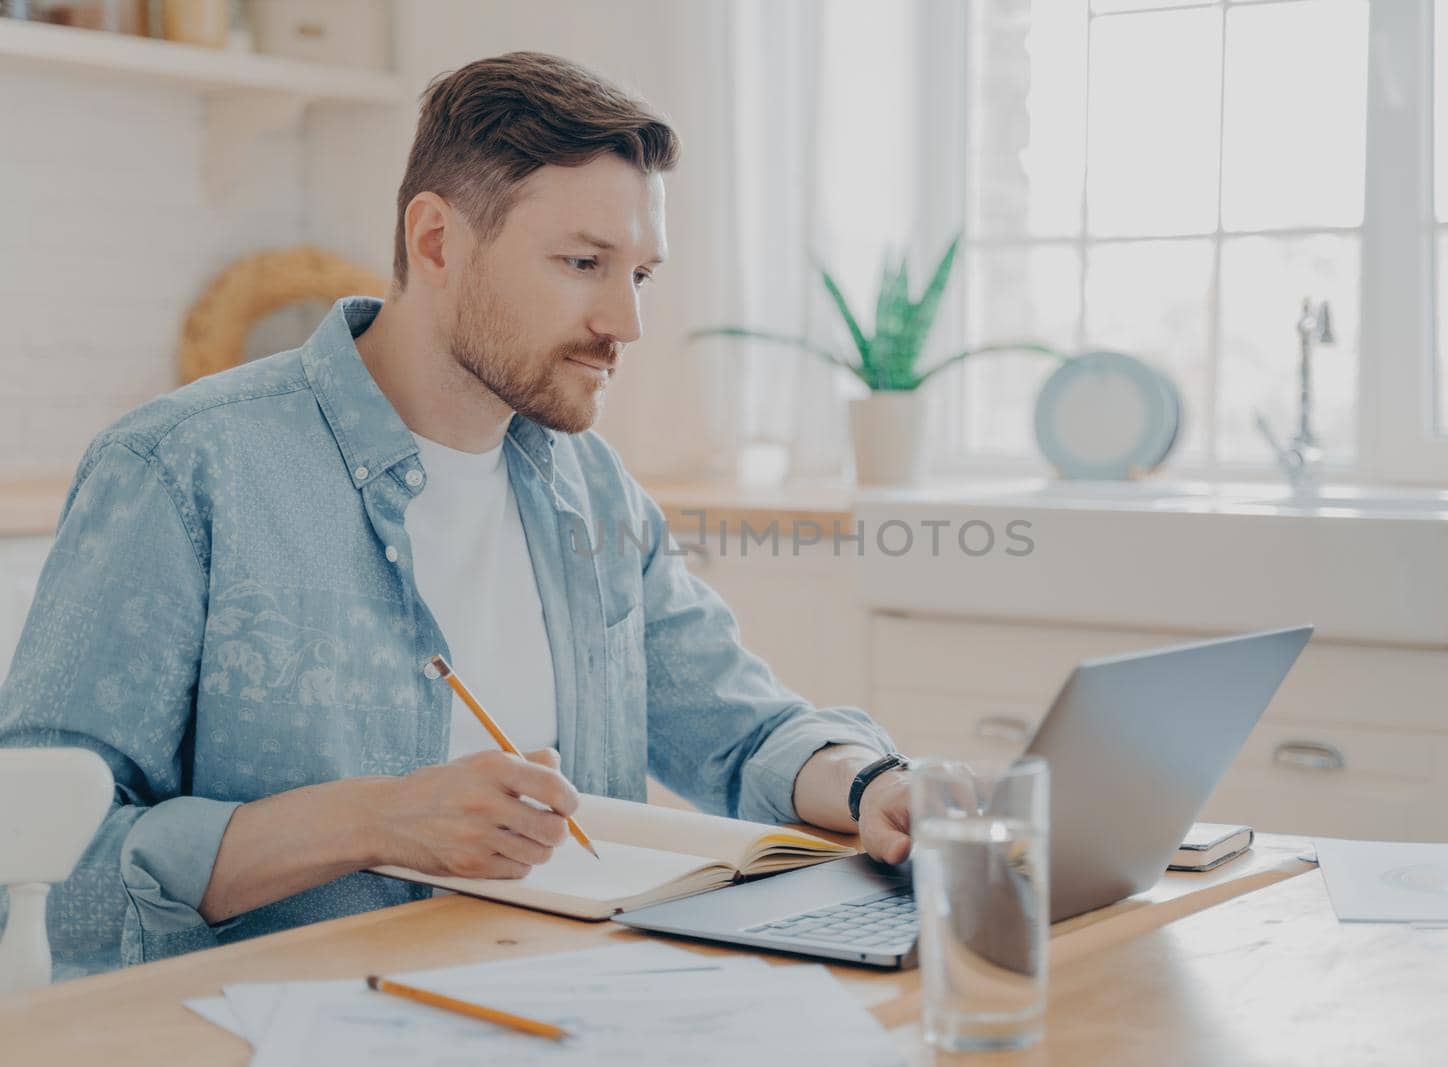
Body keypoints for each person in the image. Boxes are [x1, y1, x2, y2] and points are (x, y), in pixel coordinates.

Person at [0, 51, 911, 979]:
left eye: (640, 275)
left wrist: (877, 782)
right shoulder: (182, 469)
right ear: (435, 242)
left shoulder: (593, 491)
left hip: (566, 1008)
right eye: (583, 262)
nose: (625, 322)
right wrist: (374, 821)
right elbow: (38, 865)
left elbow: (742, 731)